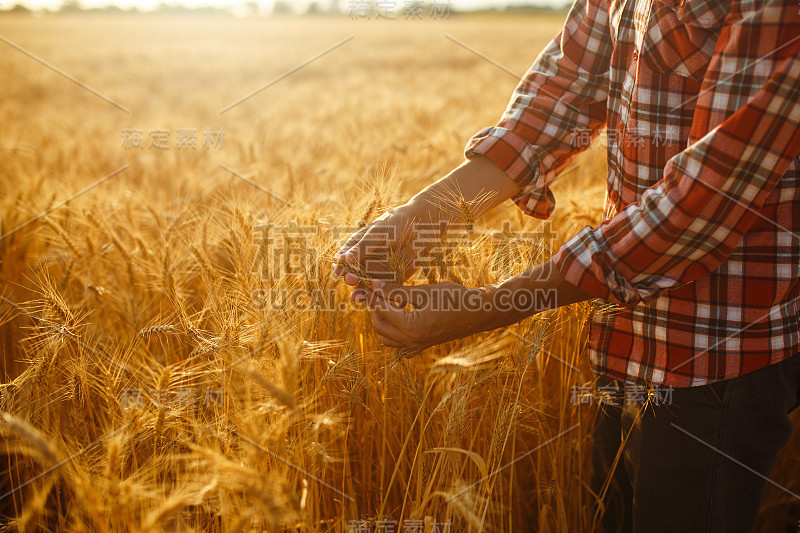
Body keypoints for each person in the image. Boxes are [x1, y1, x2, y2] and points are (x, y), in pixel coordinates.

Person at [333, 0, 800, 530]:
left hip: (718, 357)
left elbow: (699, 205)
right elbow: (562, 94)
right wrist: (418, 220)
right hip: (620, 333)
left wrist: (488, 307)